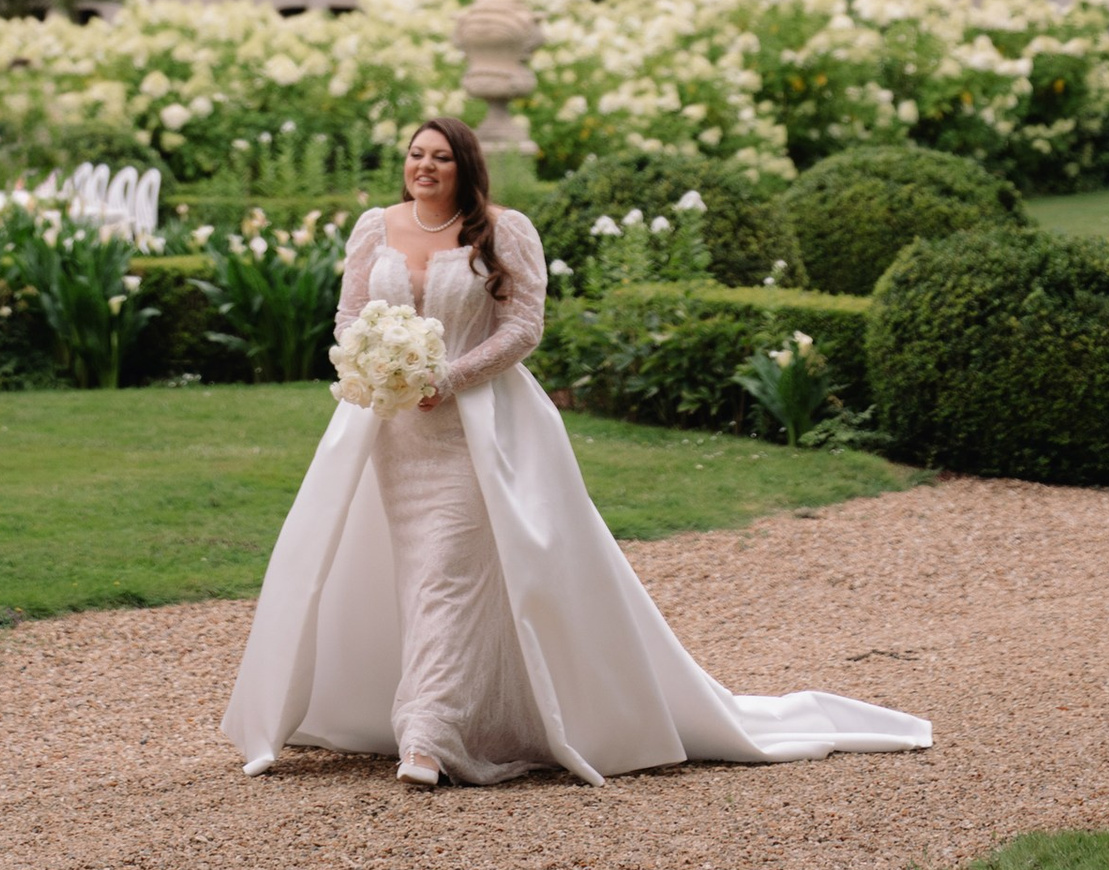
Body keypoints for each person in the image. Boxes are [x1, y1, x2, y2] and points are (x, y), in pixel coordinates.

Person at [221, 112, 932, 787]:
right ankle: (463, 707)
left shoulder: (504, 232)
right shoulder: (375, 228)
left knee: (447, 572)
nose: (423, 167)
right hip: (391, 432)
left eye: (439, 157)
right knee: (410, 573)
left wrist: (450, 375)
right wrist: (371, 363)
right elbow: (349, 315)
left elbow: (523, 327)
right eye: (415, 154)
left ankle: (429, 734)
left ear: (466, 168)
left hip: (477, 433)